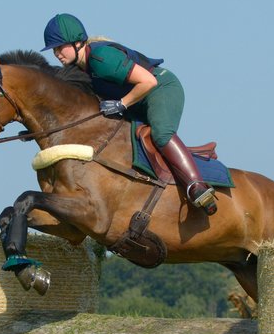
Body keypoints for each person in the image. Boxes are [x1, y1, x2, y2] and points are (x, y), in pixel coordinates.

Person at [41, 13, 217, 215]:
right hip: (137, 99)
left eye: (59, 46)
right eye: (53, 49)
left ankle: (197, 187)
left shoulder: (101, 58)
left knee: (161, 135)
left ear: (77, 42)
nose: (56, 53)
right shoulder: (80, 69)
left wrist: (122, 104)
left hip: (160, 88)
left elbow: (149, 82)